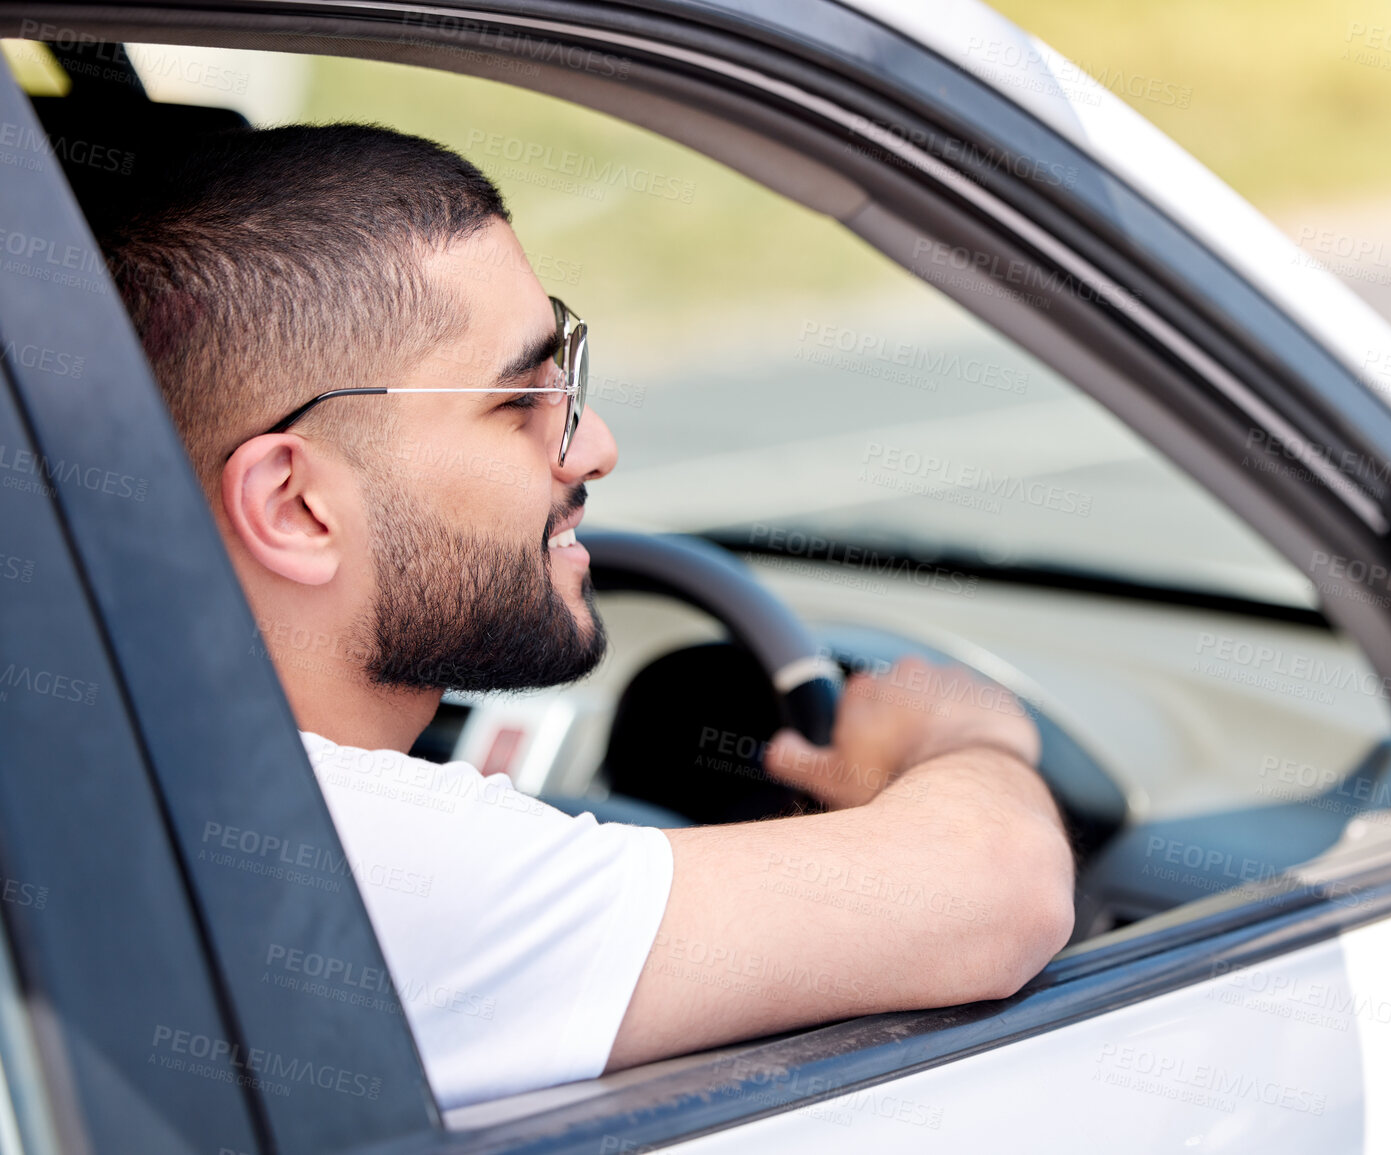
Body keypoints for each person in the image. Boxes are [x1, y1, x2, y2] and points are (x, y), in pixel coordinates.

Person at [98, 123, 1075, 1110]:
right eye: (519, 399)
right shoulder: (333, 858)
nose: (593, 445)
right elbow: (1000, 894)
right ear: (296, 508)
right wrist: (967, 739)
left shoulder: (102, 764)